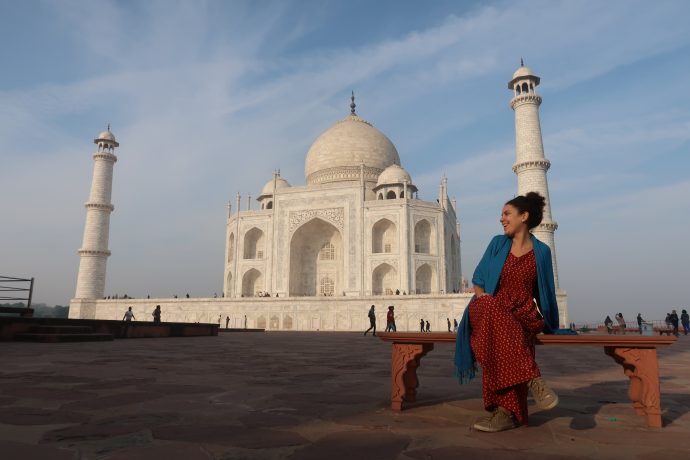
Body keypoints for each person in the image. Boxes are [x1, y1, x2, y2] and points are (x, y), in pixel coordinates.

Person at [454, 192, 559, 432]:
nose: (501, 219)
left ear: (524, 216)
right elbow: (478, 281)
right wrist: (488, 302)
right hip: (487, 305)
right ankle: (533, 379)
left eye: (506, 214)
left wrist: (551, 322)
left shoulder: (541, 252)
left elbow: (546, 291)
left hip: (522, 314)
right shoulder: (497, 243)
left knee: (502, 339)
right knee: (496, 318)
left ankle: (504, 413)